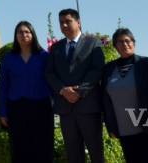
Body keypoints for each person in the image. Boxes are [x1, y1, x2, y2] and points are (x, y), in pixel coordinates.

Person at [45, 8, 105, 163]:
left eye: (68, 21)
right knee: (73, 154)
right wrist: (63, 90)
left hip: (88, 108)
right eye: (61, 23)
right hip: (66, 110)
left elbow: (97, 70)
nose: (64, 25)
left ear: (78, 22)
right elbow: (49, 74)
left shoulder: (93, 43)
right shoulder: (56, 48)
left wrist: (79, 91)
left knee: (96, 152)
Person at [101, 28, 148, 163]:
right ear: (115, 46)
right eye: (120, 42)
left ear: (134, 43)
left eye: (127, 41)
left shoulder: (147, 64)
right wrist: (110, 126)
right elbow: (105, 100)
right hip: (124, 130)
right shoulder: (108, 69)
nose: (124, 44)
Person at [0, 21, 54, 163]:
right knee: (19, 149)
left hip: (41, 107)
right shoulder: (8, 59)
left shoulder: (44, 56)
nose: (24, 35)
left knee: (43, 148)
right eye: (20, 32)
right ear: (16, 36)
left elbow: (52, 82)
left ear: (33, 34)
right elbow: (3, 86)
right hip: (17, 109)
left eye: (27, 32)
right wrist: (3, 112)